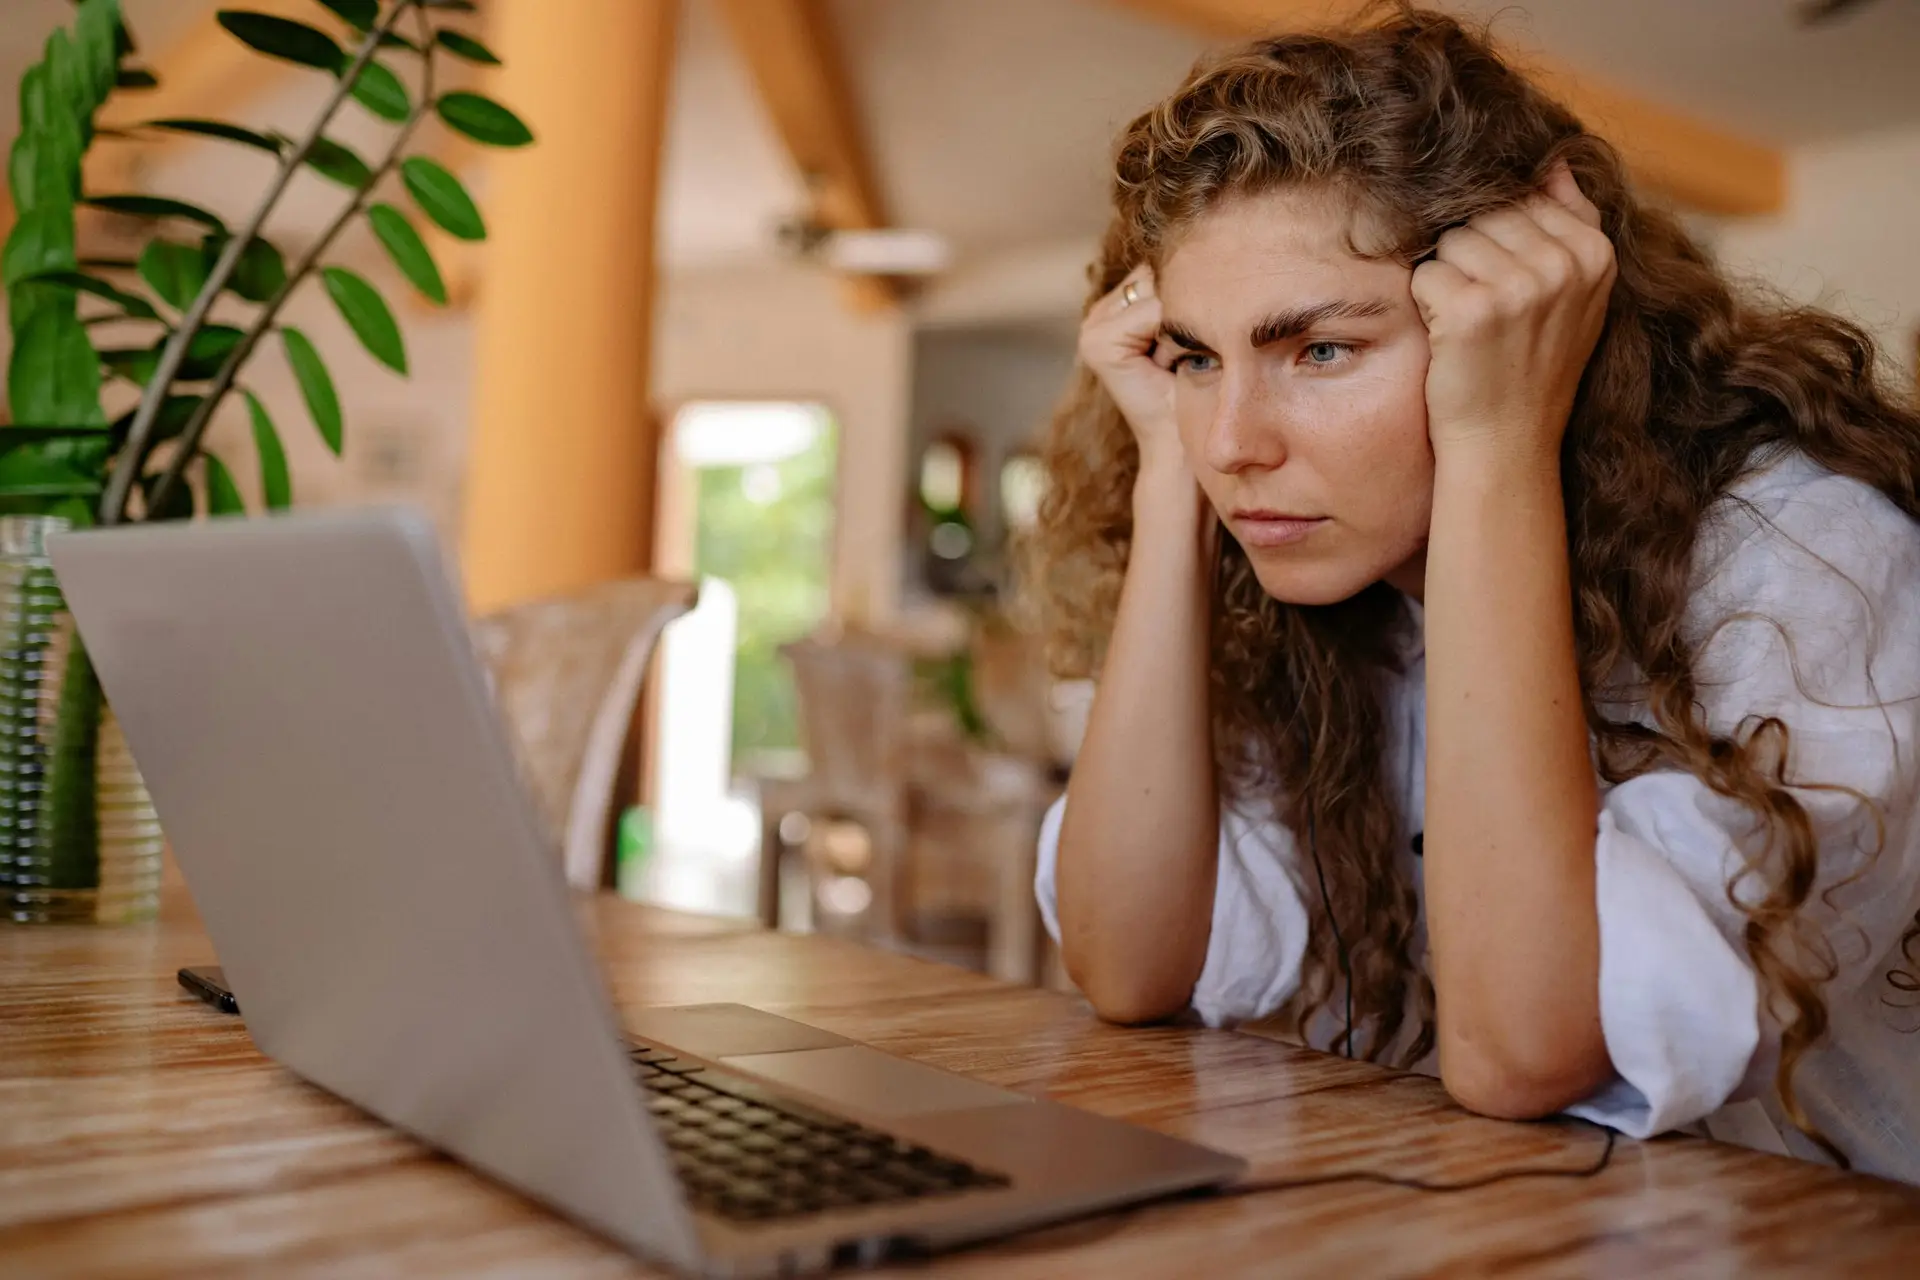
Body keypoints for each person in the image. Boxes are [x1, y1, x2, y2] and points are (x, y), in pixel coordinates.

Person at [1028, 5, 1920, 1183]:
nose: (1233, 442)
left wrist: (1501, 437)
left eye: (1323, 350)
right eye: (1197, 357)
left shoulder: (1802, 556)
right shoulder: (1296, 576)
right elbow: (1124, 961)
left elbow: (1523, 1053)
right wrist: (1162, 482)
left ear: (1519, 316)